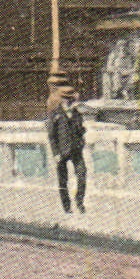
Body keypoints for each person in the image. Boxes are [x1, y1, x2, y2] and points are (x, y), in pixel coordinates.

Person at [47, 86, 88, 215]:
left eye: (71, 99)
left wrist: (81, 139)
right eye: (66, 99)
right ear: (62, 100)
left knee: (82, 175)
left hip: (76, 150)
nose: (69, 101)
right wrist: (56, 153)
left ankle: (79, 201)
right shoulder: (55, 115)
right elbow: (52, 136)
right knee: (62, 181)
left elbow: (80, 131)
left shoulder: (77, 114)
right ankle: (66, 206)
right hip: (61, 151)